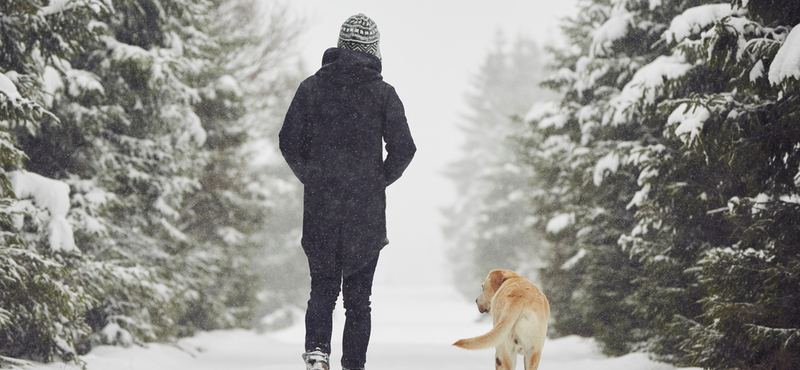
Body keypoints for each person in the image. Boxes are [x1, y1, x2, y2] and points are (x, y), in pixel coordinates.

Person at [279, 13, 416, 370]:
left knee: (322, 288)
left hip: (321, 206)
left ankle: (316, 353)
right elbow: (405, 148)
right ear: (373, 51)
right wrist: (376, 181)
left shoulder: (312, 88)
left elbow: (288, 141)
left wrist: (312, 176)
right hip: (365, 212)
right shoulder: (383, 94)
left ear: (339, 48)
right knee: (359, 301)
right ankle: (353, 364)